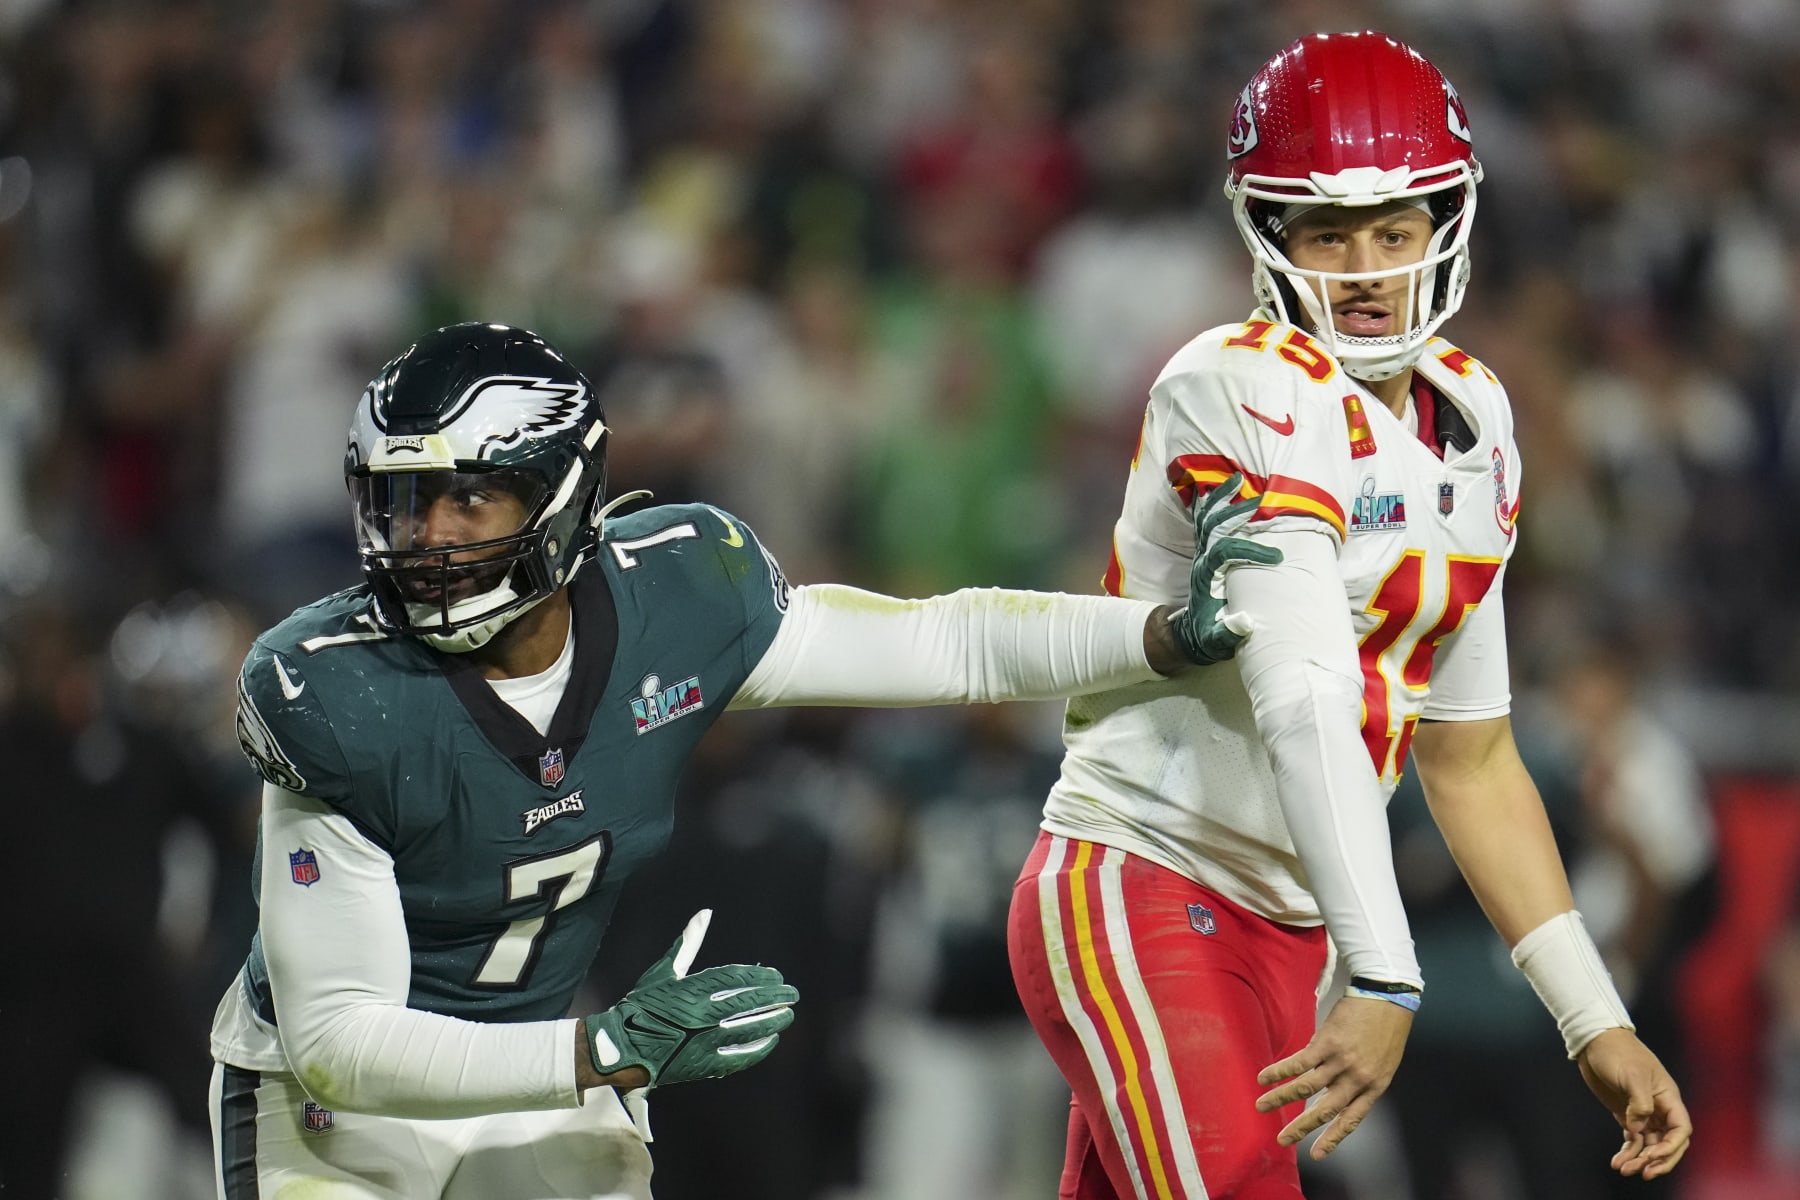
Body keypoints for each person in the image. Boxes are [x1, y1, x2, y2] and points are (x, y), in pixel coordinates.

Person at [207, 319, 1267, 1200]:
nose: (427, 537)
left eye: (468, 497)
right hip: (333, 1116)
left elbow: (944, 642)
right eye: (403, 500)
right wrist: (601, 1053)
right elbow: (339, 1040)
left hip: (535, 1065)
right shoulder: (332, 688)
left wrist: (1156, 634)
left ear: (560, 493)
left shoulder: (679, 593)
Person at [1006, 31, 1693, 1200]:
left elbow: (1470, 757)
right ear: (1271, 235)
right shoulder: (1235, 384)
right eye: (1328, 232)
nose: (1366, 267)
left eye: (1392, 229)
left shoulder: (1474, 417)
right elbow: (1304, 690)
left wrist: (1594, 1019)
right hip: (1147, 880)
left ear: (1443, 225)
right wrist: (1387, 976)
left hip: (1289, 932)